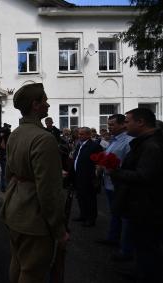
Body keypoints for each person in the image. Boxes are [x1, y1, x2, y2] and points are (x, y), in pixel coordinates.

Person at [0, 83, 67, 283]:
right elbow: (49, 192)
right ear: (35, 105)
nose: (48, 105)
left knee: (18, 262)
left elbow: (10, 175)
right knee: (32, 271)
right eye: (44, 101)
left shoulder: (16, 134)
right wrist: (59, 230)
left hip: (15, 210)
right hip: (34, 218)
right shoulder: (44, 138)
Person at [109, 108, 163, 283]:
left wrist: (115, 172)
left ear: (140, 122)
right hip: (141, 204)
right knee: (142, 242)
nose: (125, 125)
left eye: (127, 121)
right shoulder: (145, 142)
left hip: (147, 206)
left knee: (147, 243)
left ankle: (147, 275)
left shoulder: (152, 146)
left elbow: (143, 176)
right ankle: (142, 271)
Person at [95, 114, 134, 262]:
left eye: (112, 124)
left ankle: (126, 250)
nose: (109, 127)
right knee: (114, 213)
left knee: (125, 218)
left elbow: (128, 163)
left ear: (123, 125)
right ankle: (113, 238)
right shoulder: (113, 140)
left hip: (121, 185)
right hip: (110, 183)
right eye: (108, 124)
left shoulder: (129, 141)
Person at [70, 127, 103, 227]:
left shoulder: (94, 146)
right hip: (78, 176)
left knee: (90, 199)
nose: (80, 136)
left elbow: (99, 162)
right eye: (79, 134)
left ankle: (91, 218)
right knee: (80, 197)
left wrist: (96, 177)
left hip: (88, 177)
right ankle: (83, 215)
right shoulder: (79, 144)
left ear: (89, 135)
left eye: (82, 134)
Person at [0, 123, 11, 192]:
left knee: (8, 172)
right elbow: (3, 146)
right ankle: (3, 186)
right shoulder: (1, 136)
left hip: (8, 156)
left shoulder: (9, 135)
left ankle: (7, 186)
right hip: (3, 156)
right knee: (4, 172)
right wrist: (3, 136)